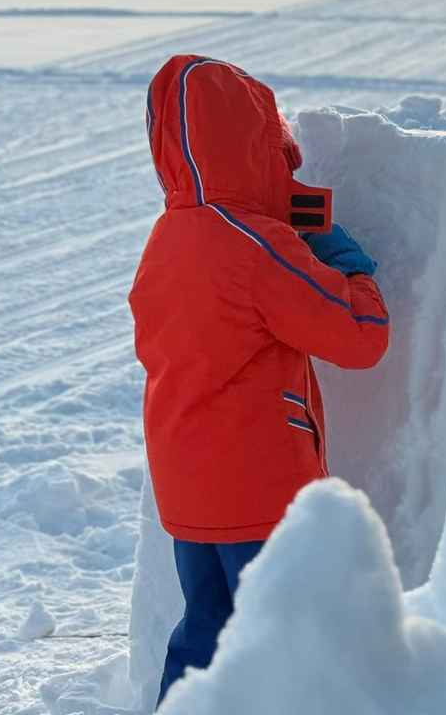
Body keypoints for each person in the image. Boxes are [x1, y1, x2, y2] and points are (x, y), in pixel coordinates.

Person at [129, 55, 390, 709]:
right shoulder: (257, 244)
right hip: (260, 491)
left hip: (186, 489)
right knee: (283, 644)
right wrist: (349, 268)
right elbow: (359, 337)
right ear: (254, 146)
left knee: (206, 636)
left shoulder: (167, 237)